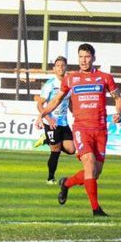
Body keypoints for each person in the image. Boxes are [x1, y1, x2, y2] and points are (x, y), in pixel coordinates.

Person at [35, 43, 121, 217]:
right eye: (81, 56)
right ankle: (96, 209)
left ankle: (66, 183)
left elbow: (118, 98)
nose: (84, 60)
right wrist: (42, 115)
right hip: (81, 128)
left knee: (94, 173)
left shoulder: (105, 78)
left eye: (87, 56)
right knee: (89, 164)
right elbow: (56, 100)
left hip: (100, 130)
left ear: (93, 58)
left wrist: (119, 112)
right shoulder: (71, 79)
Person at [35, 56, 75, 185]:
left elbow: (69, 103)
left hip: (63, 122)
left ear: (66, 67)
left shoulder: (69, 84)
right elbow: (39, 104)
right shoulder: (50, 85)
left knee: (71, 150)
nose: (61, 68)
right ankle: (50, 178)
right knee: (56, 150)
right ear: (54, 69)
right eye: (58, 66)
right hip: (51, 122)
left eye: (63, 65)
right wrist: (48, 118)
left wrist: (76, 114)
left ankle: (47, 139)